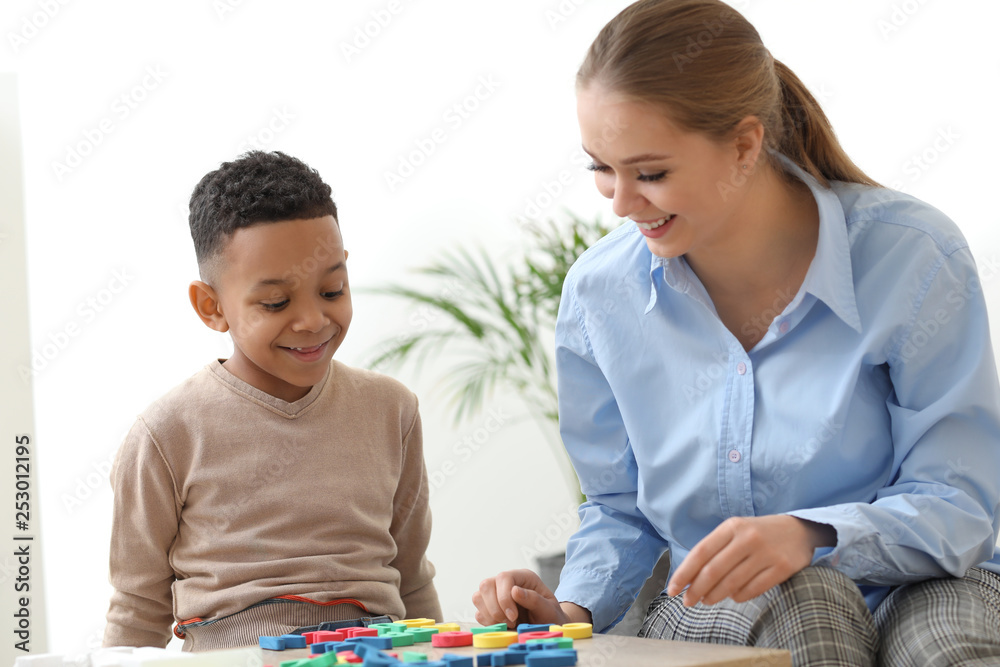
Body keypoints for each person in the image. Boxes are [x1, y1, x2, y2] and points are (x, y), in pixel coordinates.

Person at [472, 1, 1000, 665]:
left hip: (924, 581)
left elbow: (959, 497)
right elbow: (618, 508)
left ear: (745, 144)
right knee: (807, 604)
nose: (619, 202)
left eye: (652, 172)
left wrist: (812, 533)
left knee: (948, 650)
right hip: (724, 605)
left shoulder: (912, 256)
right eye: (600, 166)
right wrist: (572, 609)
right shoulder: (601, 294)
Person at [103, 151, 442, 651]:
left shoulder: (392, 411)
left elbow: (411, 579)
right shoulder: (167, 433)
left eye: (332, 290)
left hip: (376, 651)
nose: (312, 320)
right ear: (211, 307)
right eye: (276, 303)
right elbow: (137, 608)